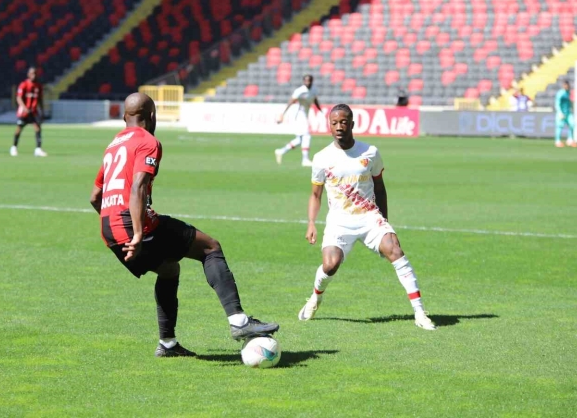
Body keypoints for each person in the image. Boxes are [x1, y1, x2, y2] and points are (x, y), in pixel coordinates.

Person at [89, 93, 279, 357]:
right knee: (210, 248)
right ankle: (239, 321)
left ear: (124, 117)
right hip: (131, 224)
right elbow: (138, 187)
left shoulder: (113, 146)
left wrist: (118, 227)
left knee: (169, 270)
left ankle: (167, 344)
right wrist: (136, 232)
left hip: (108, 228)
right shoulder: (148, 141)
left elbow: (95, 196)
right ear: (152, 116)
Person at [298, 103, 436, 331]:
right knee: (330, 265)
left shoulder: (370, 152)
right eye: (334, 123)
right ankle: (315, 298)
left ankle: (420, 313)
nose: (339, 126)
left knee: (396, 251)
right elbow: (315, 194)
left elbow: (380, 189)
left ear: (352, 124)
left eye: (344, 122)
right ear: (329, 126)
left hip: (369, 217)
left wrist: (385, 222)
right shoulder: (322, 158)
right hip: (339, 221)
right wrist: (311, 222)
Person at [275, 74, 321, 167]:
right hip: (298, 115)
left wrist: (320, 110)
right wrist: (282, 114)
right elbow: (291, 101)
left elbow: (315, 100)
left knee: (300, 140)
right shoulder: (300, 91)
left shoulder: (314, 90)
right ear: (303, 81)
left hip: (305, 115)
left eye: (309, 81)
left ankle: (281, 151)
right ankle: (305, 160)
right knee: (307, 136)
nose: (307, 82)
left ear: (312, 81)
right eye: (306, 81)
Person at [10, 67, 47, 157]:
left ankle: (38, 149)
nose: (33, 75)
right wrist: (24, 107)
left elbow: (40, 99)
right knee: (19, 128)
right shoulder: (24, 84)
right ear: (28, 74)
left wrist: (42, 111)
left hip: (34, 111)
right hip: (24, 111)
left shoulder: (38, 86)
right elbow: (18, 98)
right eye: (32, 73)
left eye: (35, 73)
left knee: (38, 128)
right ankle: (14, 147)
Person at [555, 81, 577, 148]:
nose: (566, 86)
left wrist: (570, 108)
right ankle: (557, 141)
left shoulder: (568, 93)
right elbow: (557, 103)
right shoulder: (560, 93)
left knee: (572, 124)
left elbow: (569, 102)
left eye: (567, 85)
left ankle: (570, 140)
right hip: (561, 113)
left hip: (568, 112)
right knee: (559, 126)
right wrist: (560, 112)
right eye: (565, 85)